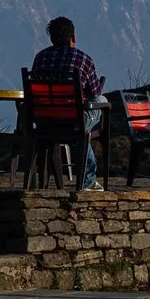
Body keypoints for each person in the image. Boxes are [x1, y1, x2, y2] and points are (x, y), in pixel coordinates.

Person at [29, 16, 106, 188]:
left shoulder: (40, 58)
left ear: (51, 38)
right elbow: (94, 92)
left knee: (82, 129)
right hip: (73, 121)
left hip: (44, 121)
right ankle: (87, 182)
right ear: (73, 37)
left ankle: (89, 181)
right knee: (101, 101)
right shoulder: (83, 59)